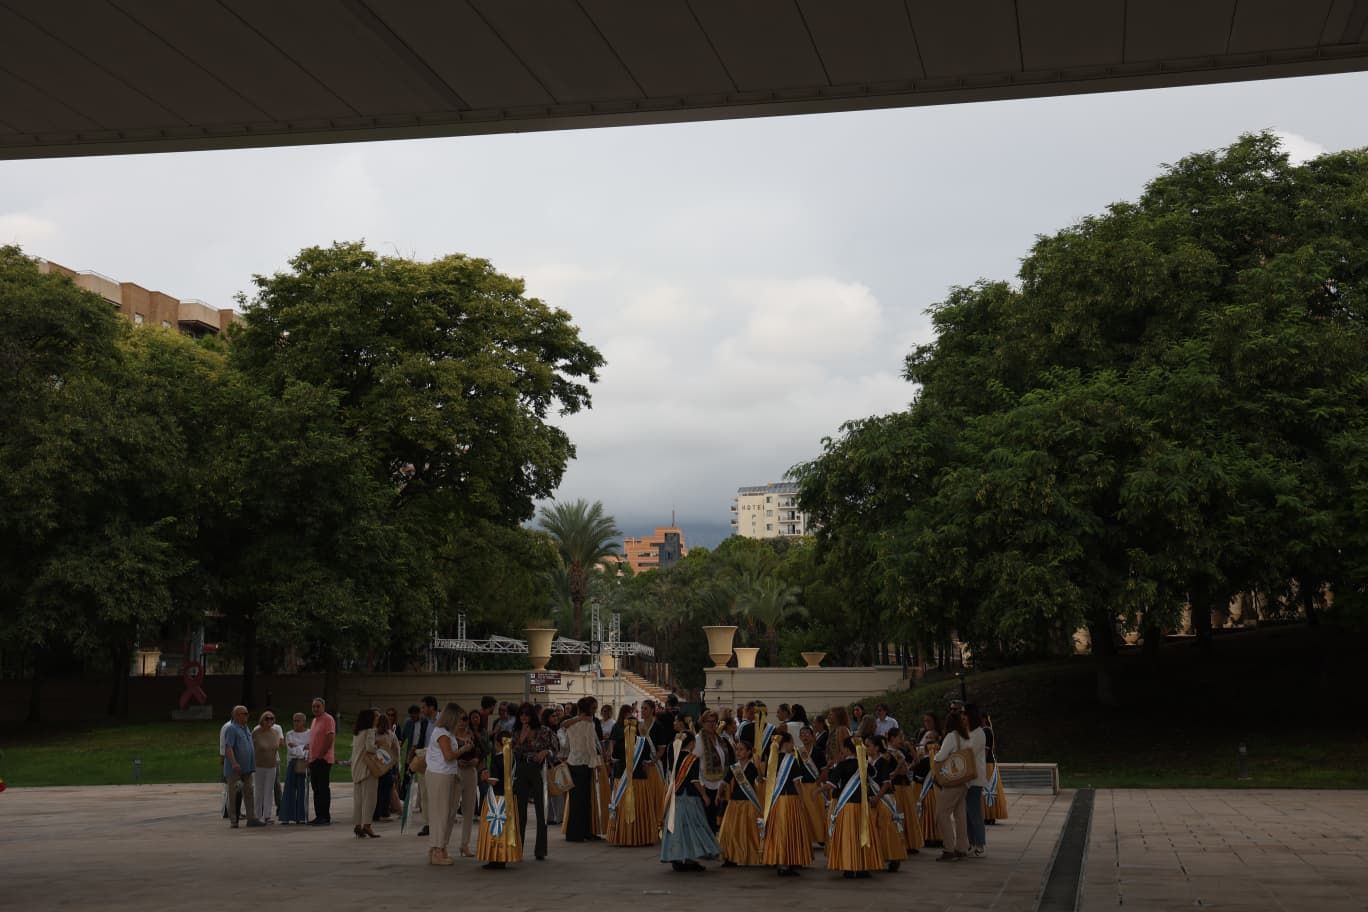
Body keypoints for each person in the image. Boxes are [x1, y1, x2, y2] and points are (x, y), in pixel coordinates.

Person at [659, 731, 721, 872]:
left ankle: (676, 857)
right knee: (692, 828)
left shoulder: (673, 756)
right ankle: (688, 859)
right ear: (692, 743)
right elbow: (694, 780)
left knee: (676, 828)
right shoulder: (692, 759)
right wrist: (704, 795)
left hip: (676, 797)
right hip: (689, 797)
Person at [824, 736, 881, 878]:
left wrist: (817, 790)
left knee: (848, 836)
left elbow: (831, 783)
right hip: (862, 805)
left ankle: (849, 867)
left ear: (846, 749)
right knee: (863, 834)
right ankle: (863, 867)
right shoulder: (864, 764)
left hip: (847, 806)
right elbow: (874, 774)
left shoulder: (842, 765)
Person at [762, 731, 815, 877]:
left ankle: (779, 860)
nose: (793, 745)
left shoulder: (772, 760)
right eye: (792, 742)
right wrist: (802, 800)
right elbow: (797, 783)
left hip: (776, 801)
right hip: (790, 799)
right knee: (790, 831)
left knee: (778, 830)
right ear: (786, 743)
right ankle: (788, 862)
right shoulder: (791, 760)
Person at [607, 708, 660, 846]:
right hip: (639, 780)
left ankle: (623, 836)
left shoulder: (620, 742)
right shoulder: (643, 742)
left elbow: (614, 758)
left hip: (622, 779)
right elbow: (647, 760)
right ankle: (641, 836)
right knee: (640, 808)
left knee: (622, 808)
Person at [512, 702, 556, 860]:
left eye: (527, 713)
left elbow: (555, 749)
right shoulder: (516, 732)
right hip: (522, 770)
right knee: (520, 811)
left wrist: (546, 752)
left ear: (532, 715)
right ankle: (518, 849)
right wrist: (521, 739)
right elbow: (512, 753)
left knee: (541, 811)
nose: (524, 717)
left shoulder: (544, 731)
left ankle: (540, 850)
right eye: (521, 714)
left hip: (538, 770)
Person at [424, 703, 463, 865]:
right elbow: (448, 756)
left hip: (448, 775)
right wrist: (464, 750)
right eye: (459, 718)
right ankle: (437, 850)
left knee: (449, 813)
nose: (461, 722)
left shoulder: (448, 733)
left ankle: (440, 846)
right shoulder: (441, 733)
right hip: (439, 775)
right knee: (440, 814)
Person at [477, 731, 522, 869]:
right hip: (509, 797)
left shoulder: (497, 759)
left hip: (497, 798)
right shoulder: (514, 757)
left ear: (497, 743)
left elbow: (495, 781)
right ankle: (504, 856)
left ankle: (495, 857)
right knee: (506, 826)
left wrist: (485, 778)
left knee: (495, 826)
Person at [716, 738, 763, 867]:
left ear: (748, 752)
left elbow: (760, 780)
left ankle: (751, 855)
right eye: (737, 749)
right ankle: (730, 857)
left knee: (749, 832)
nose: (738, 752)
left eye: (741, 749)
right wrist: (718, 794)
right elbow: (724, 782)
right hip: (735, 802)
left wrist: (759, 768)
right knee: (730, 830)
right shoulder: (734, 767)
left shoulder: (752, 767)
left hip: (749, 802)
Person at [933, 709, 972, 861]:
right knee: (960, 814)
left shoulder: (951, 736)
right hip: (964, 779)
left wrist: (934, 756)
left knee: (942, 813)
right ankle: (962, 848)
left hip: (953, 779)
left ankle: (949, 848)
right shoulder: (966, 736)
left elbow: (941, 756)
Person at [562, 696, 601, 842]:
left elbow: (565, 741)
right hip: (584, 763)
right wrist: (596, 763)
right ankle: (580, 833)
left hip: (572, 761)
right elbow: (591, 746)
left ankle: (577, 832)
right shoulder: (589, 723)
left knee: (576, 800)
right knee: (584, 800)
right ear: (588, 708)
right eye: (594, 707)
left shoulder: (572, 722)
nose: (595, 710)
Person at [867, 735, 907, 872]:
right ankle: (876, 857)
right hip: (873, 799)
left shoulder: (882, 762)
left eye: (868, 745)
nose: (866, 748)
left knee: (887, 829)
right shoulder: (868, 762)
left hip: (884, 799)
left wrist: (877, 798)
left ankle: (894, 857)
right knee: (874, 829)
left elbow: (886, 783)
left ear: (877, 748)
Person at [223, 705, 263, 829]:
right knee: (234, 794)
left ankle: (251, 818)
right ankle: (234, 820)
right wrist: (234, 763)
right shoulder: (231, 729)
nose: (247, 715)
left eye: (247, 713)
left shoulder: (245, 728)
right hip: (235, 769)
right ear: (236, 715)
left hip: (248, 768)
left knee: (249, 792)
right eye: (244, 713)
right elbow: (228, 747)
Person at [453, 709, 484, 858]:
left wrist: (476, 760)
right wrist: (457, 761)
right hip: (455, 772)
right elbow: (445, 754)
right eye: (459, 719)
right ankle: (442, 845)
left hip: (471, 772)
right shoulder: (450, 736)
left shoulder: (473, 735)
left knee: (469, 810)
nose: (462, 722)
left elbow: (481, 751)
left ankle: (465, 844)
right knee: (451, 809)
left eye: (465, 719)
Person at [693, 710, 728, 831]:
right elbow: (694, 765)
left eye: (714, 721)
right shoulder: (698, 739)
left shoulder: (719, 739)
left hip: (719, 786)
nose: (712, 724)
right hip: (705, 785)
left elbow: (724, 762)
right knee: (705, 821)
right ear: (702, 723)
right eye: (708, 721)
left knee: (714, 822)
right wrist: (702, 791)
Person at [350, 707, 381, 839]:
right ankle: (367, 825)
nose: (377, 719)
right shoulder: (370, 731)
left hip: (356, 768)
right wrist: (378, 746)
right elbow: (370, 748)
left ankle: (358, 825)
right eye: (376, 716)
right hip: (368, 769)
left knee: (358, 800)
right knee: (370, 798)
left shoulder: (357, 732)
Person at [409, 696, 438, 837]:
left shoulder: (442, 721)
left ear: (432, 707)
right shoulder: (424, 722)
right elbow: (420, 740)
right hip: (424, 760)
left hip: (438, 762)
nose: (421, 710)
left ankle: (438, 822)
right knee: (424, 793)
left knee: (437, 794)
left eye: (424, 707)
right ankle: (428, 824)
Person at [964, 704, 990, 857]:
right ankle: (971, 842)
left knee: (974, 812)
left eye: (965, 715)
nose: (963, 718)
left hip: (975, 778)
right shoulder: (967, 732)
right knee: (967, 813)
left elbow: (969, 753)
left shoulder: (979, 733)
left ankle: (979, 843)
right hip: (965, 778)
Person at [307, 697, 336, 826]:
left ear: (323, 707)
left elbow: (330, 738)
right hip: (313, 759)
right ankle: (319, 815)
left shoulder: (328, 719)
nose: (315, 709)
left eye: (318, 706)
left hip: (323, 759)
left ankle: (324, 816)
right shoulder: (314, 721)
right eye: (313, 706)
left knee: (322, 788)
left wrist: (320, 755)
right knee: (316, 788)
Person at [251, 711, 282, 825]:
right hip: (259, 766)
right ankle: (257, 815)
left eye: (271, 718)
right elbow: (251, 748)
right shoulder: (256, 732)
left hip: (272, 766)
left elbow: (279, 745)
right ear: (262, 720)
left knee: (269, 791)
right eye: (267, 718)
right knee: (259, 790)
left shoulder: (275, 732)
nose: (269, 721)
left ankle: (267, 815)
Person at [281, 712, 310, 825]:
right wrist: (303, 747)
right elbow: (291, 751)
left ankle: (301, 816)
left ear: (304, 721)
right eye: (294, 720)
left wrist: (297, 747)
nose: (296, 723)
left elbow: (309, 749)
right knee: (289, 789)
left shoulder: (309, 733)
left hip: (304, 763)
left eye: (298, 720)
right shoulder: (289, 734)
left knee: (302, 789)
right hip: (292, 763)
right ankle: (287, 816)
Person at [373, 712, 401, 823]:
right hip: (387, 765)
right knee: (386, 790)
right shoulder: (391, 735)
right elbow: (397, 751)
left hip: (375, 765)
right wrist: (396, 765)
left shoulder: (373, 734)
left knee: (376, 790)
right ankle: (384, 812)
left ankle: (375, 813)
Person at [982, 712, 1009, 824]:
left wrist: (980, 763)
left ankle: (990, 815)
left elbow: (985, 750)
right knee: (987, 790)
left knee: (988, 790)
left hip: (986, 763)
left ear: (983, 719)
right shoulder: (985, 730)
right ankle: (987, 815)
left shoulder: (986, 730)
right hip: (987, 763)